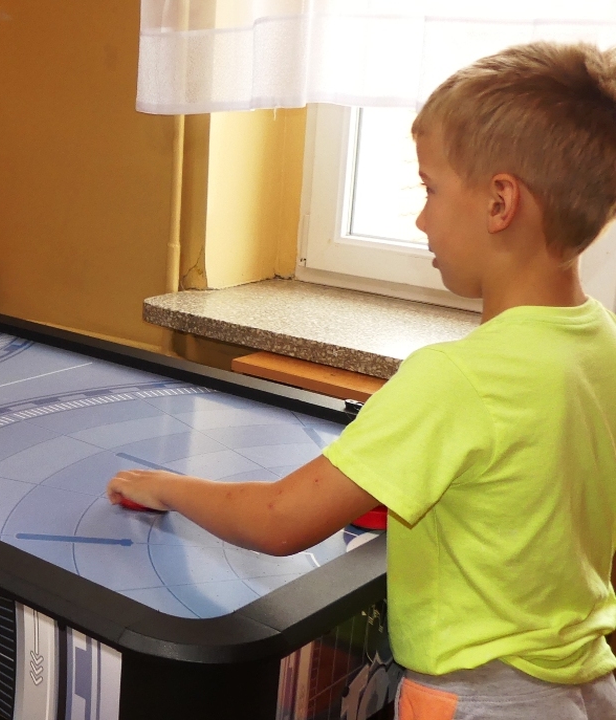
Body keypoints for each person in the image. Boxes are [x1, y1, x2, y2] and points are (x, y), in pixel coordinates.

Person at [107, 41, 616, 720]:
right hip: (583, 684)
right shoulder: (601, 340)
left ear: (500, 202)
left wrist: (166, 486)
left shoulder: (453, 378)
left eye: (430, 189)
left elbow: (279, 520)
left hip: (475, 700)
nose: (421, 218)